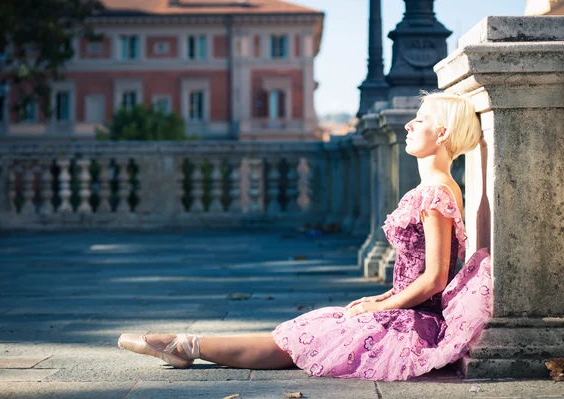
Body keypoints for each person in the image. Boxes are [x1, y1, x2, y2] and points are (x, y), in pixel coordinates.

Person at [117, 92, 492, 381]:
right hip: (402, 307)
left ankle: (186, 345)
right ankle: (186, 345)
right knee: (309, 328)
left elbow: (435, 278)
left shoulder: (435, 193)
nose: (409, 125)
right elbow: (422, 273)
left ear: (442, 133)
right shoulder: (438, 188)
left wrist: (382, 308)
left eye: (421, 119)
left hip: (412, 321)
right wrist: (380, 296)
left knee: (302, 339)